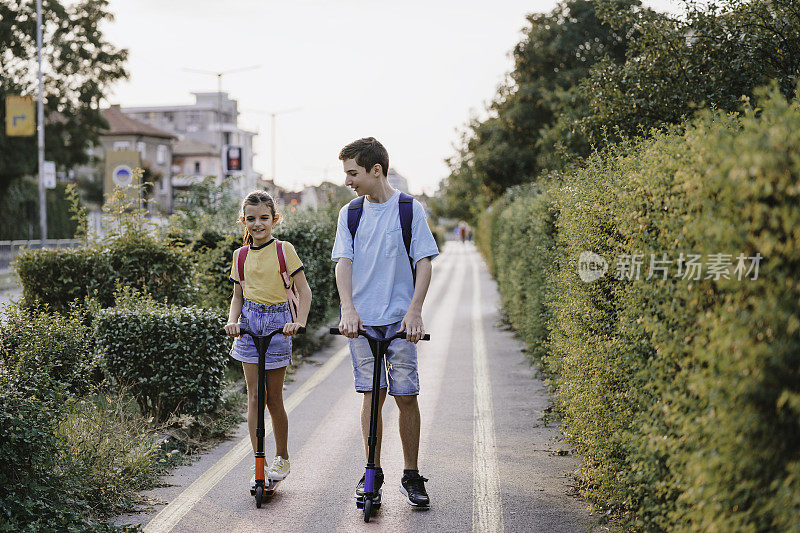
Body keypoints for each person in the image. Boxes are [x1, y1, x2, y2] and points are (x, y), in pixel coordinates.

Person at [331, 137, 440, 508]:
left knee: (406, 396)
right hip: (361, 324)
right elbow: (342, 263)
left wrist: (415, 311)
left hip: (399, 322)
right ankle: (371, 473)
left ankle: (411, 474)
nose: (348, 180)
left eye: (353, 173)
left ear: (376, 170)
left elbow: (424, 262)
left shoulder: (410, 209)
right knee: (372, 396)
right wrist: (348, 309)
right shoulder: (350, 214)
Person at [223, 190, 312, 487]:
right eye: (251, 219)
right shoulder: (240, 255)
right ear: (243, 221)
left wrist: (298, 322)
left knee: (274, 399)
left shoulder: (284, 249)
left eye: (264, 218)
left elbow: (304, 291)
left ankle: (282, 457)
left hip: (277, 323)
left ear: (274, 219)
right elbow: (237, 296)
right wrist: (232, 321)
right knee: (254, 397)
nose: (257, 224)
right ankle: (258, 460)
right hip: (249, 323)